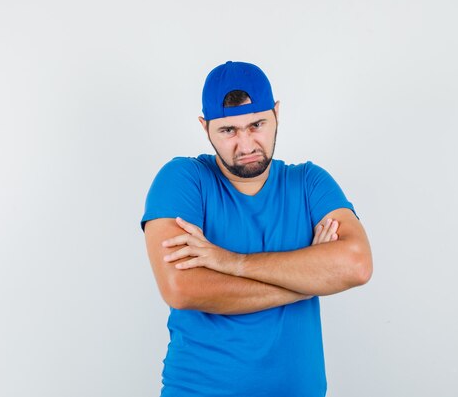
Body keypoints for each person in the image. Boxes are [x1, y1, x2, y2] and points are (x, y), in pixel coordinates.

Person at [140, 61, 373, 397]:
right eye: (228, 131)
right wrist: (307, 283)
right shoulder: (183, 181)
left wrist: (232, 262)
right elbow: (182, 287)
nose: (246, 145)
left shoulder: (309, 183)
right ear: (205, 127)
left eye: (257, 125)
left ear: (277, 114)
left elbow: (357, 265)